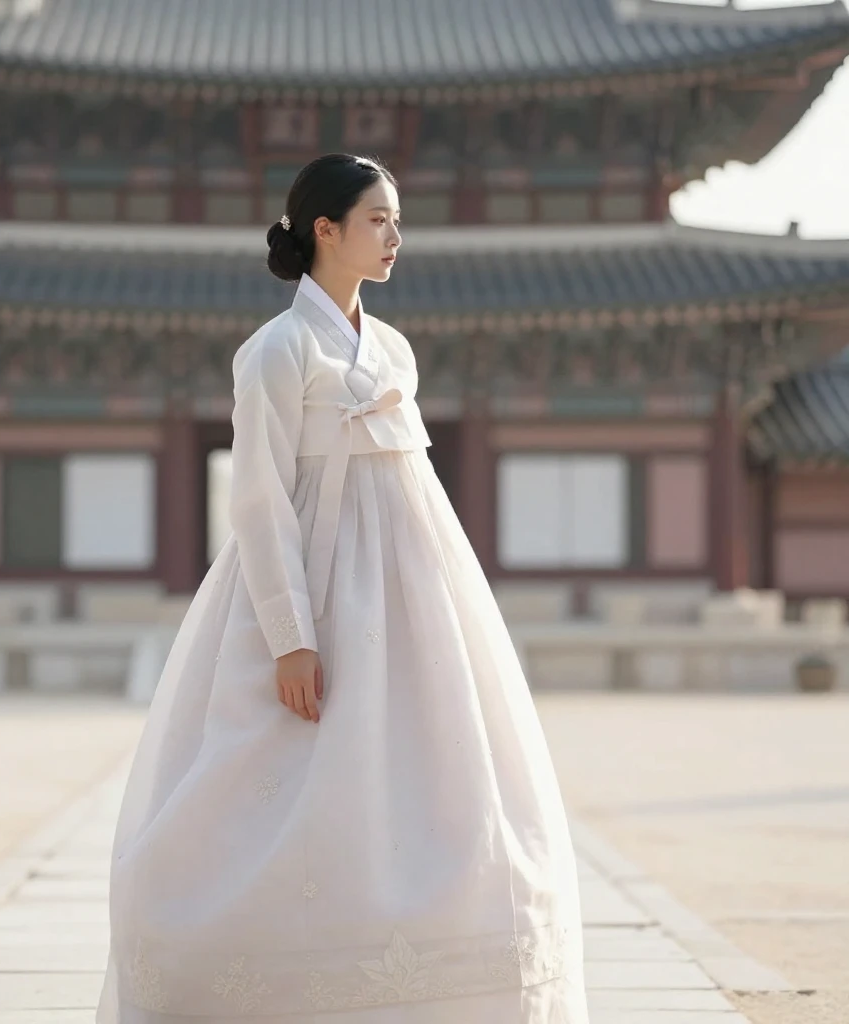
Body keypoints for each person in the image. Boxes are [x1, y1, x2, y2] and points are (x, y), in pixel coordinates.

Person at [96, 153, 589, 1024]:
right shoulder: (277, 350)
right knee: (271, 773)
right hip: (313, 589)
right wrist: (291, 632)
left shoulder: (392, 346)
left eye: (398, 220)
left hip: (414, 597)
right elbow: (256, 498)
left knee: (432, 772)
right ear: (324, 228)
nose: (396, 236)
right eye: (378, 219)